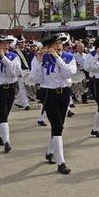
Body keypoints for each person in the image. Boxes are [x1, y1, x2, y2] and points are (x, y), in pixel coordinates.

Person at [29, 33, 77, 174]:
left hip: (65, 92)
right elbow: (34, 78)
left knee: (59, 125)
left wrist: (57, 58)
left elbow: (69, 73)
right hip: (49, 93)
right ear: (48, 46)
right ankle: (61, 162)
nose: (58, 46)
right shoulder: (40, 59)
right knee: (56, 125)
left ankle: (50, 151)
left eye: (60, 44)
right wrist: (38, 60)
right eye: (55, 44)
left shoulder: (68, 57)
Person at [0, 35, 22, 153]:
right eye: (3, 43)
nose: (5, 46)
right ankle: (6, 141)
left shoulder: (14, 56)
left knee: (5, 113)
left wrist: (3, 58)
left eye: (7, 43)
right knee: (1, 113)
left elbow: (14, 72)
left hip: (11, 87)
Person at [13, 35, 31, 110]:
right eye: (21, 42)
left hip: (27, 70)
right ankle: (25, 104)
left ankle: (18, 102)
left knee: (28, 87)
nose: (23, 43)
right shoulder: (15, 52)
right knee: (22, 87)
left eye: (23, 42)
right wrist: (18, 72)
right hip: (20, 71)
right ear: (18, 43)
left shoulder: (27, 50)